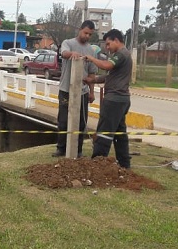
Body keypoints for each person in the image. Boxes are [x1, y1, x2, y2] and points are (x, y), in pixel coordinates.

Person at [84, 29, 132, 169]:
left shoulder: (121, 54)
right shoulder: (122, 56)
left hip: (114, 100)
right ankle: (124, 163)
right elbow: (109, 77)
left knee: (104, 132)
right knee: (120, 133)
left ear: (116, 40)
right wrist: (91, 80)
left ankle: (97, 163)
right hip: (122, 99)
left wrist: (91, 58)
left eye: (109, 44)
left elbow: (106, 65)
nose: (107, 47)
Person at [52, 20, 99, 158]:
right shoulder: (69, 43)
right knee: (63, 120)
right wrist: (72, 54)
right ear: (80, 30)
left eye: (90, 34)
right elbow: (64, 53)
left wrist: (91, 92)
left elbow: (92, 73)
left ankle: (78, 150)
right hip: (66, 90)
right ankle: (61, 148)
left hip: (82, 92)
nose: (87, 36)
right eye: (85, 33)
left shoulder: (91, 50)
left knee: (81, 122)